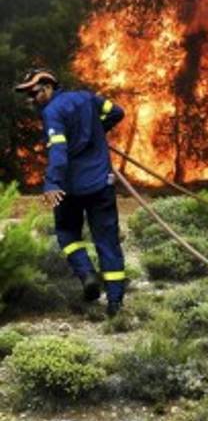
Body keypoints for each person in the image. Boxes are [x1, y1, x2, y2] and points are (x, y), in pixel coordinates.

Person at [14, 68, 127, 316]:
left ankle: (87, 275)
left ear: (48, 86)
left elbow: (59, 153)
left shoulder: (52, 112)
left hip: (71, 188)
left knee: (66, 233)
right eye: (27, 96)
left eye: (33, 93)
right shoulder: (87, 98)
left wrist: (52, 183)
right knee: (107, 242)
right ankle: (115, 303)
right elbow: (117, 112)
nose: (31, 100)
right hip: (101, 184)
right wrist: (99, 130)